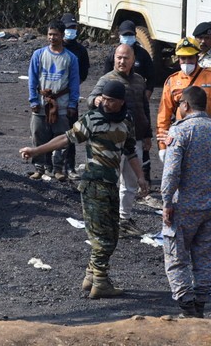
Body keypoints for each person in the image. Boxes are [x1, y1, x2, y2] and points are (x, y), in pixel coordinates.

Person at [20, 80, 148, 298]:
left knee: (113, 234)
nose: (105, 104)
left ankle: (91, 275)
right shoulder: (92, 119)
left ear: (121, 102)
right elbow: (65, 139)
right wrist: (35, 150)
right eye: (104, 99)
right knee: (103, 238)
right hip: (93, 185)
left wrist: (141, 177)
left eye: (111, 101)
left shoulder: (127, 120)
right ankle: (101, 282)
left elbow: (131, 151)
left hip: (111, 186)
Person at [157, 37, 211, 253]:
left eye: (190, 57)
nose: (186, 61)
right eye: (182, 58)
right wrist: (163, 146)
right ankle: (183, 229)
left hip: (210, 139)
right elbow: (164, 115)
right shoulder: (172, 81)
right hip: (182, 139)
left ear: (196, 56)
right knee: (179, 183)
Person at [161, 86, 211, 318]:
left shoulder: (180, 131)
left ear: (185, 105)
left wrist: (166, 201)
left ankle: (187, 306)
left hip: (184, 205)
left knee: (176, 256)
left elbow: (171, 172)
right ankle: (200, 305)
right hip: (210, 203)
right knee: (204, 257)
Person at [88, 44, 151, 237]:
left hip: (136, 139)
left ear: (133, 60)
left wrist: (148, 134)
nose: (122, 61)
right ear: (114, 58)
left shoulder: (140, 80)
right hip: (112, 141)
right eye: (119, 57)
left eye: (126, 58)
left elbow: (144, 109)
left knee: (131, 182)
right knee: (110, 182)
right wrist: (97, 100)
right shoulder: (107, 80)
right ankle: (108, 220)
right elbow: (91, 99)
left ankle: (124, 218)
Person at [27, 20, 81, 181]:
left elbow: (74, 83)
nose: (52, 37)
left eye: (56, 35)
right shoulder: (38, 55)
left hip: (61, 104)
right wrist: (33, 101)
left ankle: (58, 169)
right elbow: (32, 79)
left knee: (62, 137)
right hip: (42, 103)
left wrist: (72, 104)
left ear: (62, 36)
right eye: (50, 34)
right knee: (38, 135)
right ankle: (39, 168)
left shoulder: (71, 58)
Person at [102, 19, 155, 183]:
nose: (122, 61)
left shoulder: (143, 55)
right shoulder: (113, 55)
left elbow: (152, 78)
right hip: (117, 115)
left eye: (130, 35)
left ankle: (144, 181)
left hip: (137, 112)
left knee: (139, 152)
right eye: (125, 35)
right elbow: (103, 84)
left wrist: (144, 96)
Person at [60, 12, 90, 178]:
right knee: (50, 130)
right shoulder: (56, 47)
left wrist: (73, 85)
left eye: (74, 27)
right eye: (68, 28)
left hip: (71, 96)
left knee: (71, 131)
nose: (71, 30)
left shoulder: (80, 50)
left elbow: (84, 72)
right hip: (53, 97)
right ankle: (50, 166)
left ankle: (69, 166)